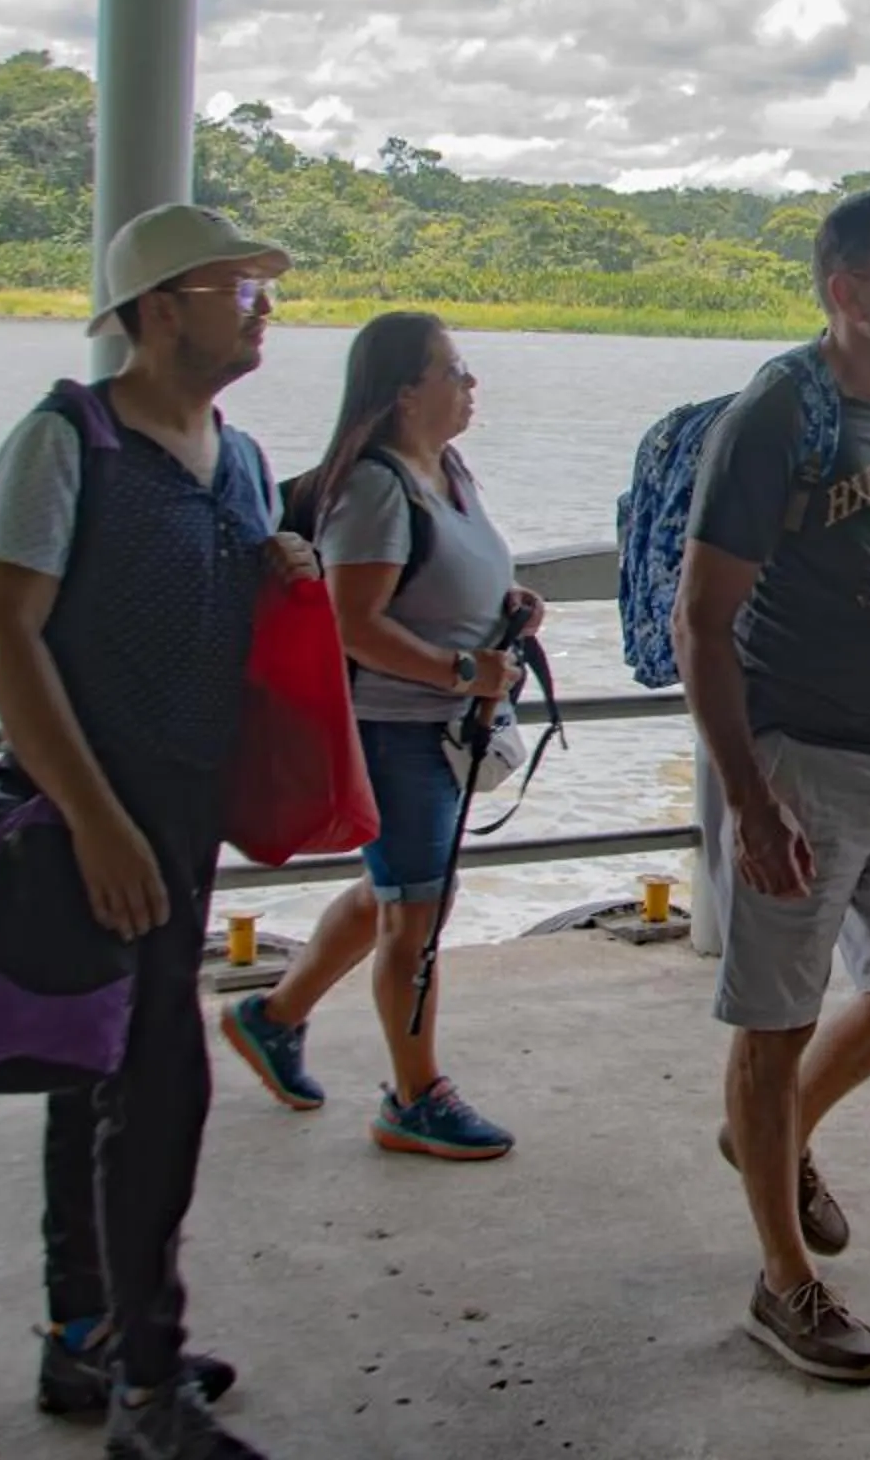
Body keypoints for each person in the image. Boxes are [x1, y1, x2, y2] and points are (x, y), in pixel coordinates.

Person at [0, 201, 316, 1460]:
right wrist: (91, 818)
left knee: (97, 1068)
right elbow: (8, 633)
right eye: (241, 287)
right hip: (89, 814)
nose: (264, 306)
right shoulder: (68, 439)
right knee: (151, 1081)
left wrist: (275, 561)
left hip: (182, 812)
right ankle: (145, 1381)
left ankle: (88, 1335)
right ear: (160, 307)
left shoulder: (236, 453)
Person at [675, 188, 870, 1387]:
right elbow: (704, 622)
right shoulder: (776, 417)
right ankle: (782, 1279)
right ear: (846, 292)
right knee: (776, 1013)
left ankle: (773, 1127)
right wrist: (751, 798)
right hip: (802, 751)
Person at [220, 314, 547, 1161]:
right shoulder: (373, 488)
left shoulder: (446, 468)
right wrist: (459, 671)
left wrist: (506, 605)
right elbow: (349, 625)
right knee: (417, 913)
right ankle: (413, 1097)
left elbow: (443, 570)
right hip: (393, 732)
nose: (471, 383)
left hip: (440, 726)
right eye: (454, 369)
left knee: (395, 890)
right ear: (406, 391)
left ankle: (274, 1015)